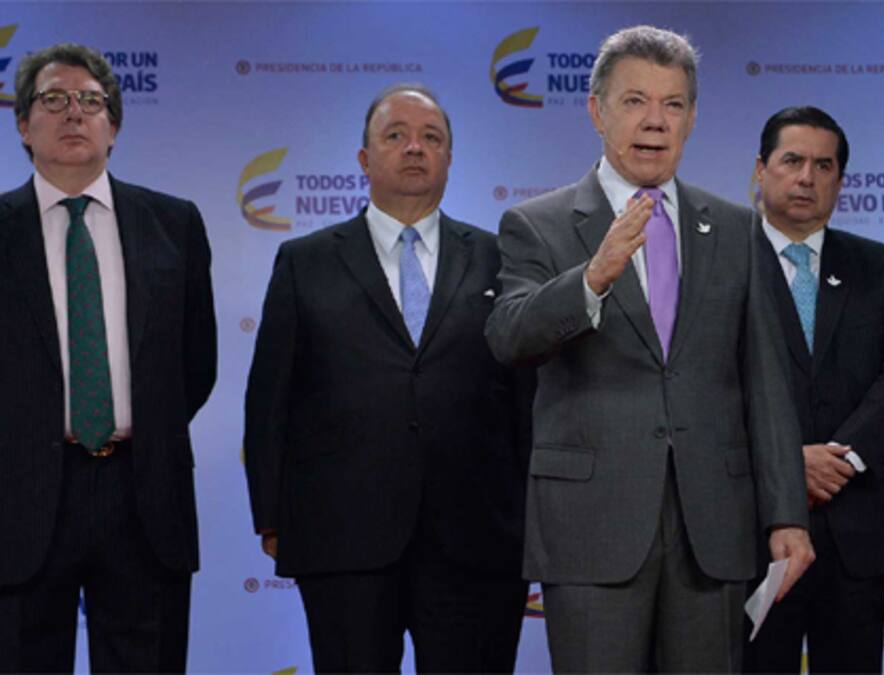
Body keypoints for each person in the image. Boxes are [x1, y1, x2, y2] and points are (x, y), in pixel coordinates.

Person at [485, 25, 814, 673]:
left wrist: (786, 514)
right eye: (635, 101)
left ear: (691, 119)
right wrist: (592, 278)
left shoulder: (737, 228)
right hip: (591, 527)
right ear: (597, 111)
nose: (655, 121)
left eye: (672, 104)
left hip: (711, 529)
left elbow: (766, 381)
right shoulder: (537, 224)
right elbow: (509, 336)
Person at [243, 84, 531, 673]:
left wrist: (536, 520)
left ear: (449, 157)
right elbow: (271, 397)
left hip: (479, 536)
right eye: (396, 135)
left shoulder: (500, 258)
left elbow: (526, 399)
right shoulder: (305, 261)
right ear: (364, 158)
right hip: (342, 535)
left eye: (431, 137)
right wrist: (271, 515)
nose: (415, 148)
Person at [0, 42, 216, 672]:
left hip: (144, 496)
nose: (74, 113)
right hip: (17, 499)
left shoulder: (174, 224)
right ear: (23, 125)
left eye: (90, 102)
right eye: (54, 100)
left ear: (113, 128)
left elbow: (194, 366)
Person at [740, 106, 884, 673]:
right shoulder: (724, 263)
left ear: (840, 181)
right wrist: (786, 461)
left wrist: (840, 459)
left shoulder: (879, 265)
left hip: (858, 524)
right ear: (761, 169)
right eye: (792, 161)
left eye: (824, 166)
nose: (807, 177)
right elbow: (707, 384)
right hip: (752, 526)